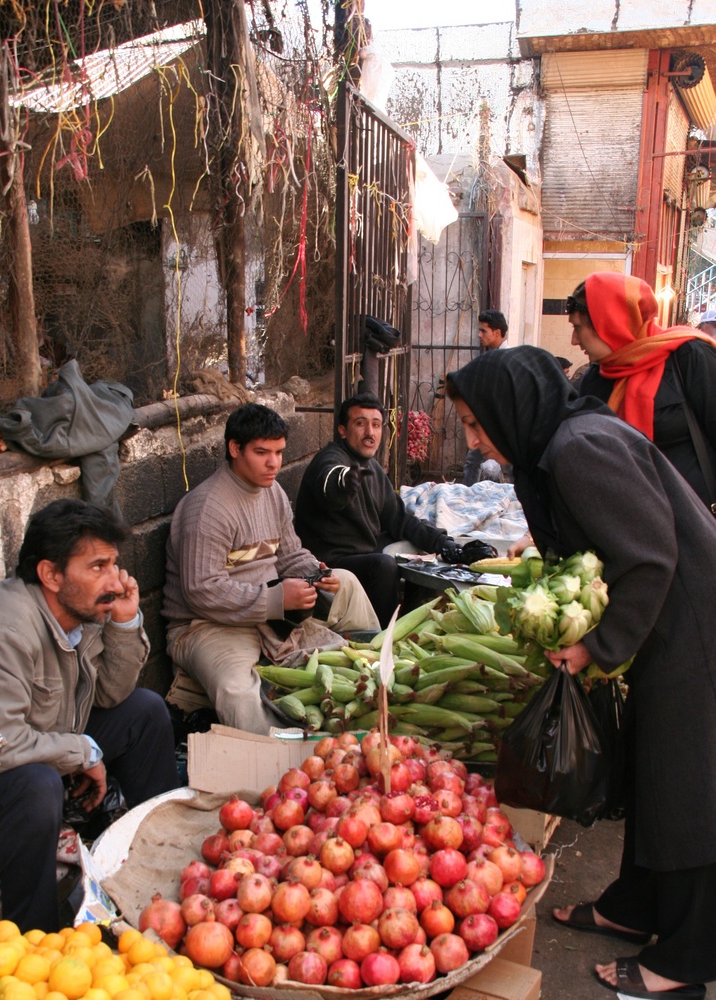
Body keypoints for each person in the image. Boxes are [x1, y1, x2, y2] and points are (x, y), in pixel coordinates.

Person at [445, 346, 716, 999]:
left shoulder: (579, 448)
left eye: (477, 424)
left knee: (688, 790)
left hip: (691, 624)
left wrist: (597, 645)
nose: (475, 441)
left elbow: (650, 557)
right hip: (661, 622)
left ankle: (686, 960)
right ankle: (636, 907)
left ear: (511, 410)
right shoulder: (556, 447)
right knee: (651, 774)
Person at [0, 499, 180, 932]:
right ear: (51, 574)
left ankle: (158, 868)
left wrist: (125, 624)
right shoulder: (1, 632)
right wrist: (84, 752)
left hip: (46, 744)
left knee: (146, 711)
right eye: (98, 567)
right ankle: (35, 937)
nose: (114, 580)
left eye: (114, 564)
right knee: (37, 786)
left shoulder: (80, 611)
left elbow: (110, 694)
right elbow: (3, 745)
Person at [163, 403, 379, 736]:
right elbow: (201, 591)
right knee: (238, 692)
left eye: (279, 452)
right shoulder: (207, 508)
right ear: (235, 449)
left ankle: (374, 674)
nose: (274, 463)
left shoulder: (273, 491)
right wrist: (276, 599)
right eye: (262, 452)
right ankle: (276, 762)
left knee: (346, 581)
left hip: (266, 610)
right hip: (207, 625)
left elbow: (289, 552)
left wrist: (315, 573)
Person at [294, 393, 495, 624]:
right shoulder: (332, 459)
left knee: (419, 542)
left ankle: (409, 616)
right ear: (342, 430)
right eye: (360, 424)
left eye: (376, 425)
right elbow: (331, 482)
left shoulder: (373, 468)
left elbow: (400, 519)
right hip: (327, 562)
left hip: (358, 550)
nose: (370, 432)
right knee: (383, 565)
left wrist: (447, 545)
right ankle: (382, 635)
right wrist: (346, 482)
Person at [570, 272, 716, 509]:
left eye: (578, 327)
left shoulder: (689, 356)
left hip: (697, 523)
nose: (574, 340)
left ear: (608, 324)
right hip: (632, 522)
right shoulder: (596, 379)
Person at [463, 309, 509, 486]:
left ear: (497, 332)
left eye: (484, 331)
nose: (479, 335)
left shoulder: (503, 359)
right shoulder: (494, 355)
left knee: (475, 464)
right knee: (473, 463)